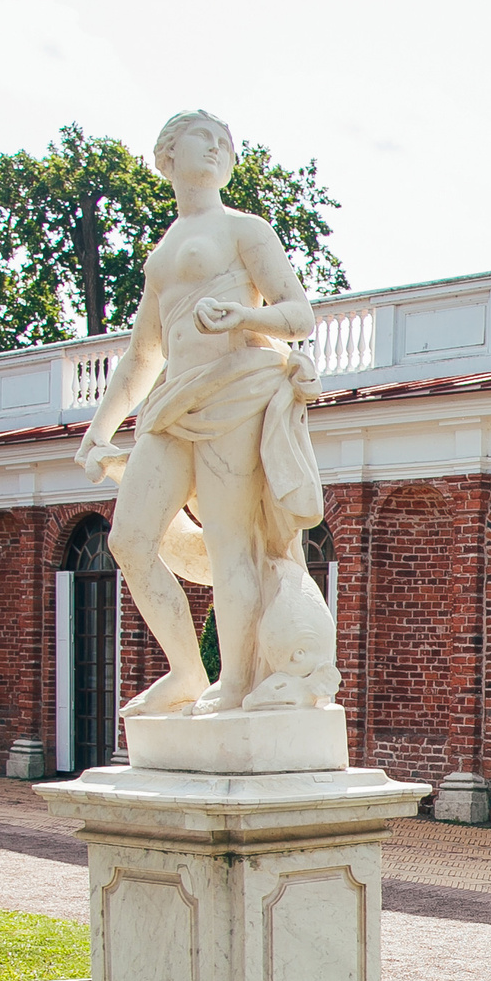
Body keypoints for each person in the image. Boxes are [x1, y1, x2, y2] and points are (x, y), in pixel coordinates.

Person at [74, 109, 338, 719]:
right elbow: (143, 353)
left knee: (230, 547)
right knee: (131, 541)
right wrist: (100, 428)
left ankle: (237, 682)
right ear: (167, 156)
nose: (219, 148)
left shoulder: (247, 230)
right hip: (172, 405)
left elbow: (299, 315)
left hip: (235, 392)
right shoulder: (162, 254)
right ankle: (187, 672)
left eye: (225, 142)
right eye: (205, 138)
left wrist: (244, 318)